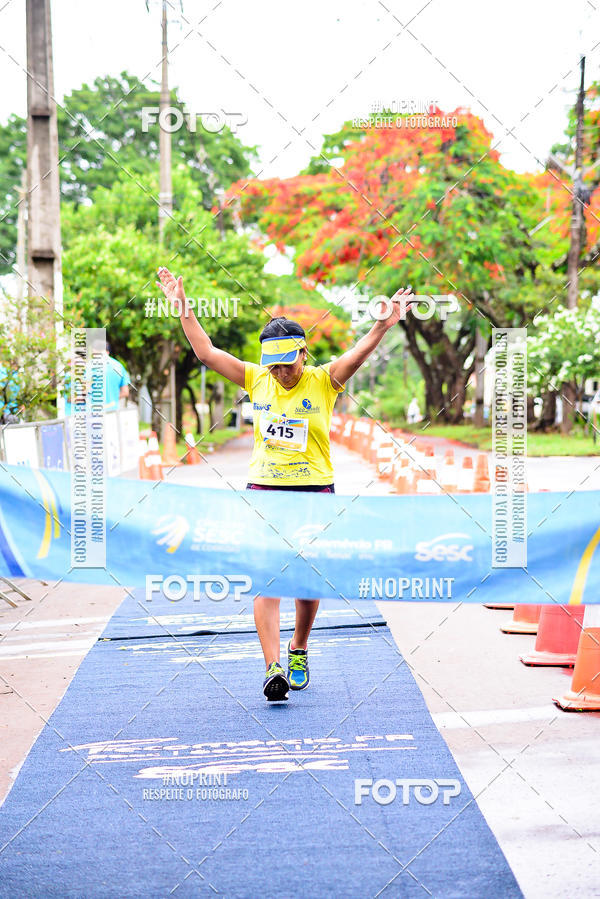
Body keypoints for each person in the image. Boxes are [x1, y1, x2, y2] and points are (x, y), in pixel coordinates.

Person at [157, 266, 415, 701]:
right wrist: (183, 307)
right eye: (273, 365)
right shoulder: (257, 379)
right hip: (265, 491)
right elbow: (206, 352)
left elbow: (358, 354)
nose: (280, 373)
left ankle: (299, 648)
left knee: (307, 579)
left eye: (286, 363)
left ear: (303, 353)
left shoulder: (324, 380)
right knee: (267, 576)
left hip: (314, 490)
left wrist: (382, 325)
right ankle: (272, 666)